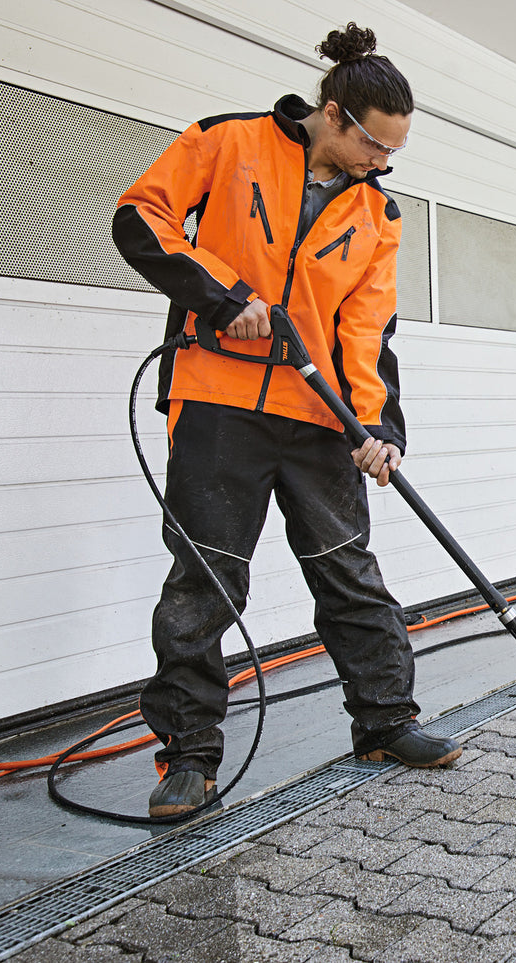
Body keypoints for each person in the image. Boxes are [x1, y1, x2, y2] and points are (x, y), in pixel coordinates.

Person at [113, 23, 460, 818]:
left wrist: (377, 431)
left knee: (348, 572)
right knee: (204, 581)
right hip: (218, 401)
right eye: (374, 144)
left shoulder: (378, 212)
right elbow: (140, 217)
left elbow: (367, 331)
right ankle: (189, 757)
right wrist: (222, 297)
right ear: (334, 114)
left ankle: (385, 721)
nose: (382, 162)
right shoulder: (226, 142)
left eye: (393, 151)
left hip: (316, 415)